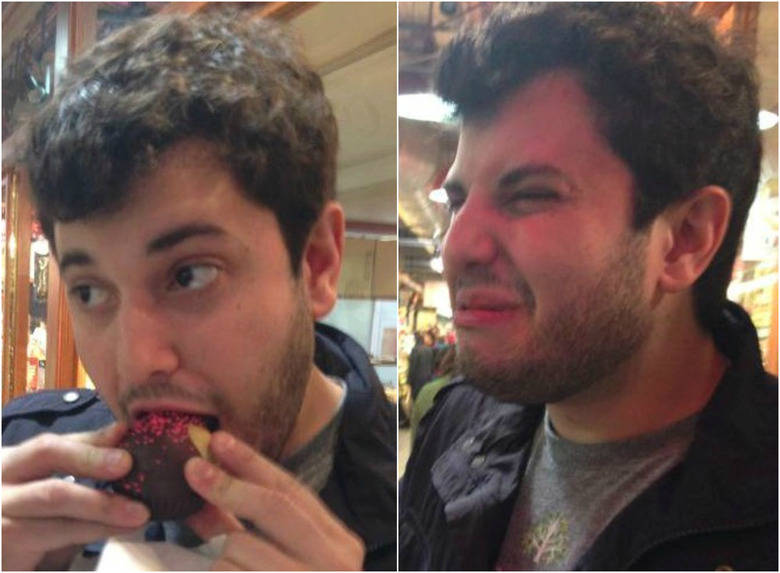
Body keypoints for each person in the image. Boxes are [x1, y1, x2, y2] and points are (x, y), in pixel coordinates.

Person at [2, 10, 396, 571]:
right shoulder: (19, 460)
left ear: (315, 264)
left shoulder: (426, 523)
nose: (135, 363)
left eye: (189, 275)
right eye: (90, 291)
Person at [399, 3, 777, 571]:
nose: (456, 247)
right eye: (457, 202)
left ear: (685, 240)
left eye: (529, 194)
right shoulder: (455, 427)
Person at [406, 331, 436, 400]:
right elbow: (432, 367)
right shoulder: (429, 350)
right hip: (427, 380)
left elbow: (412, 367)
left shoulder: (415, 350)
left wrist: (409, 381)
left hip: (417, 381)